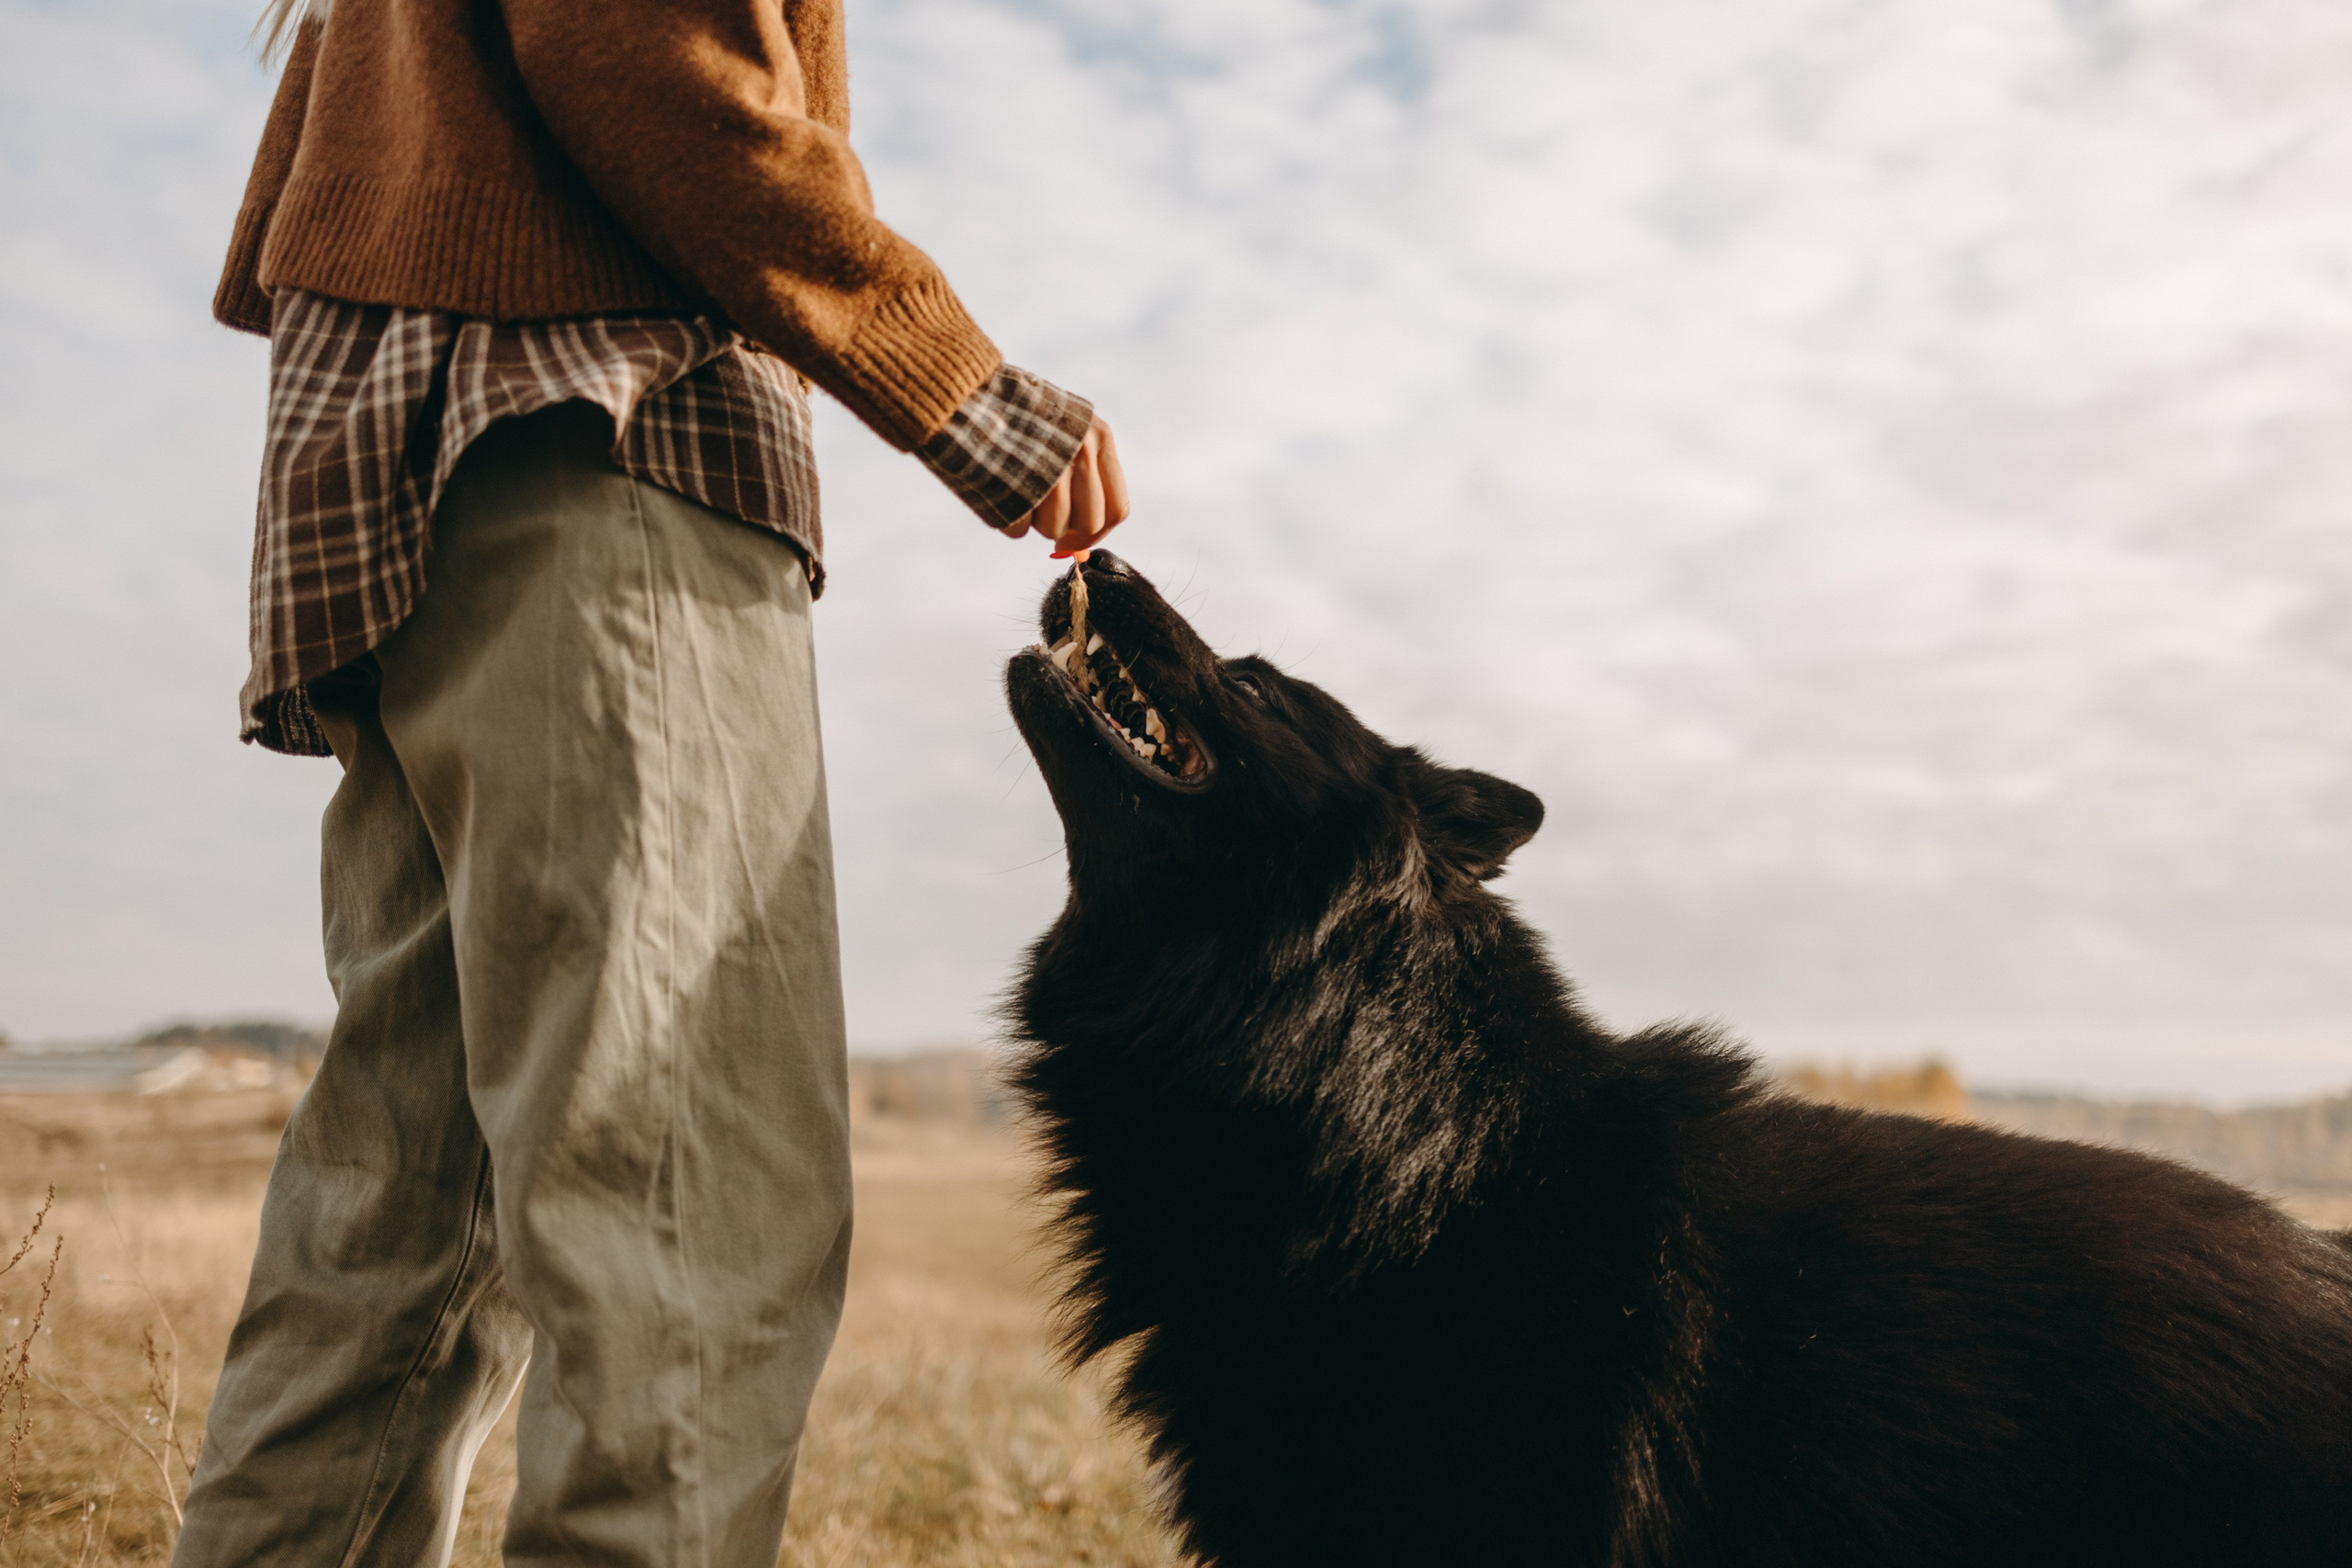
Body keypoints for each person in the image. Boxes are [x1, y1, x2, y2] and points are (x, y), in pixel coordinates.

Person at [169, 0, 1127, 1562]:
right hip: (604, 437)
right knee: (692, 1208)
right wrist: (964, 387)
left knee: (406, 1226)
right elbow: (650, 60)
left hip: (419, 465)